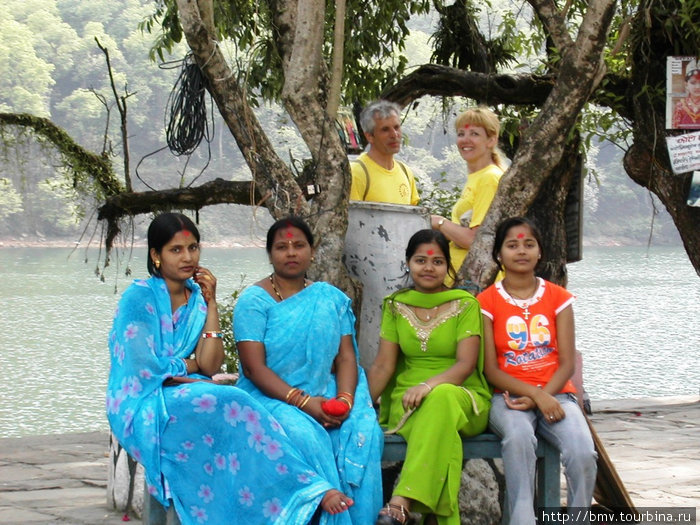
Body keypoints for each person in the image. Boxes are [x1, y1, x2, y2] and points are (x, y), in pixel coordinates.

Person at [106, 213, 350, 525]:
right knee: (233, 401)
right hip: (139, 400)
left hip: (185, 391)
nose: (188, 257)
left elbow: (209, 364)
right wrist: (188, 365)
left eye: (193, 248)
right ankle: (307, 488)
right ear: (156, 255)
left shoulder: (195, 298)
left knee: (229, 415)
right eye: (176, 250)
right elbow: (143, 368)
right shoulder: (139, 296)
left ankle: (252, 510)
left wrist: (211, 303)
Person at [234, 216, 384, 524]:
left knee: (364, 433)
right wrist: (304, 403)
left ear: (312, 251)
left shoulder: (328, 298)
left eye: (299, 245)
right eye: (282, 247)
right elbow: (253, 367)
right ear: (270, 254)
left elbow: (345, 359)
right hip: (268, 396)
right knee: (305, 434)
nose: (291, 252)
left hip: (324, 391)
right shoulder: (253, 301)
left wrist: (344, 400)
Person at [476, 217, 597, 525]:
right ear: (498, 254)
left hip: (557, 393)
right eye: (512, 245)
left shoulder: (558, 298)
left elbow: (567, 362)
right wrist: (534, 396)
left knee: (582, 452)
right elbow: (490, 369)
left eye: (529, 244)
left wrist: (544, 395)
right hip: (507, 398)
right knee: (518, 439)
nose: (521, 251)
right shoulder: (486, 302)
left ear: (540, 252)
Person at [367, 229, 492, 525]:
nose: (428, 268)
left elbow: (465, 364)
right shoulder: (395, 305)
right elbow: (384, 366)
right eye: (420, 260)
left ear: (447, 266)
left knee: (441, 397)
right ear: (408, 263)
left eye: (436, 262)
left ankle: (402, 500)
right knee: (441, 430)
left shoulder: (465, 304)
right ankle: (435, 515)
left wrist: (429, 385)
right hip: (408, 402)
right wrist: (358, 406)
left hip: (463, 396)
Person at [430, 107, 506, 285]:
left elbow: (476, 240)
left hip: (478, 284)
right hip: (464, 280)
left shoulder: (489, 178)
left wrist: (439, 222)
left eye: (474, 134)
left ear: (491, 140)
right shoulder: (477, 177)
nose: (465, 140)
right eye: (461, 133)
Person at [350, 100, 420, 205]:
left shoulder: (405, 172)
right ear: (369, 136)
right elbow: (352, 217)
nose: (394, 135)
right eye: (385, 129)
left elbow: (412, 219)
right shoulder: (356, 172)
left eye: (396, 127)